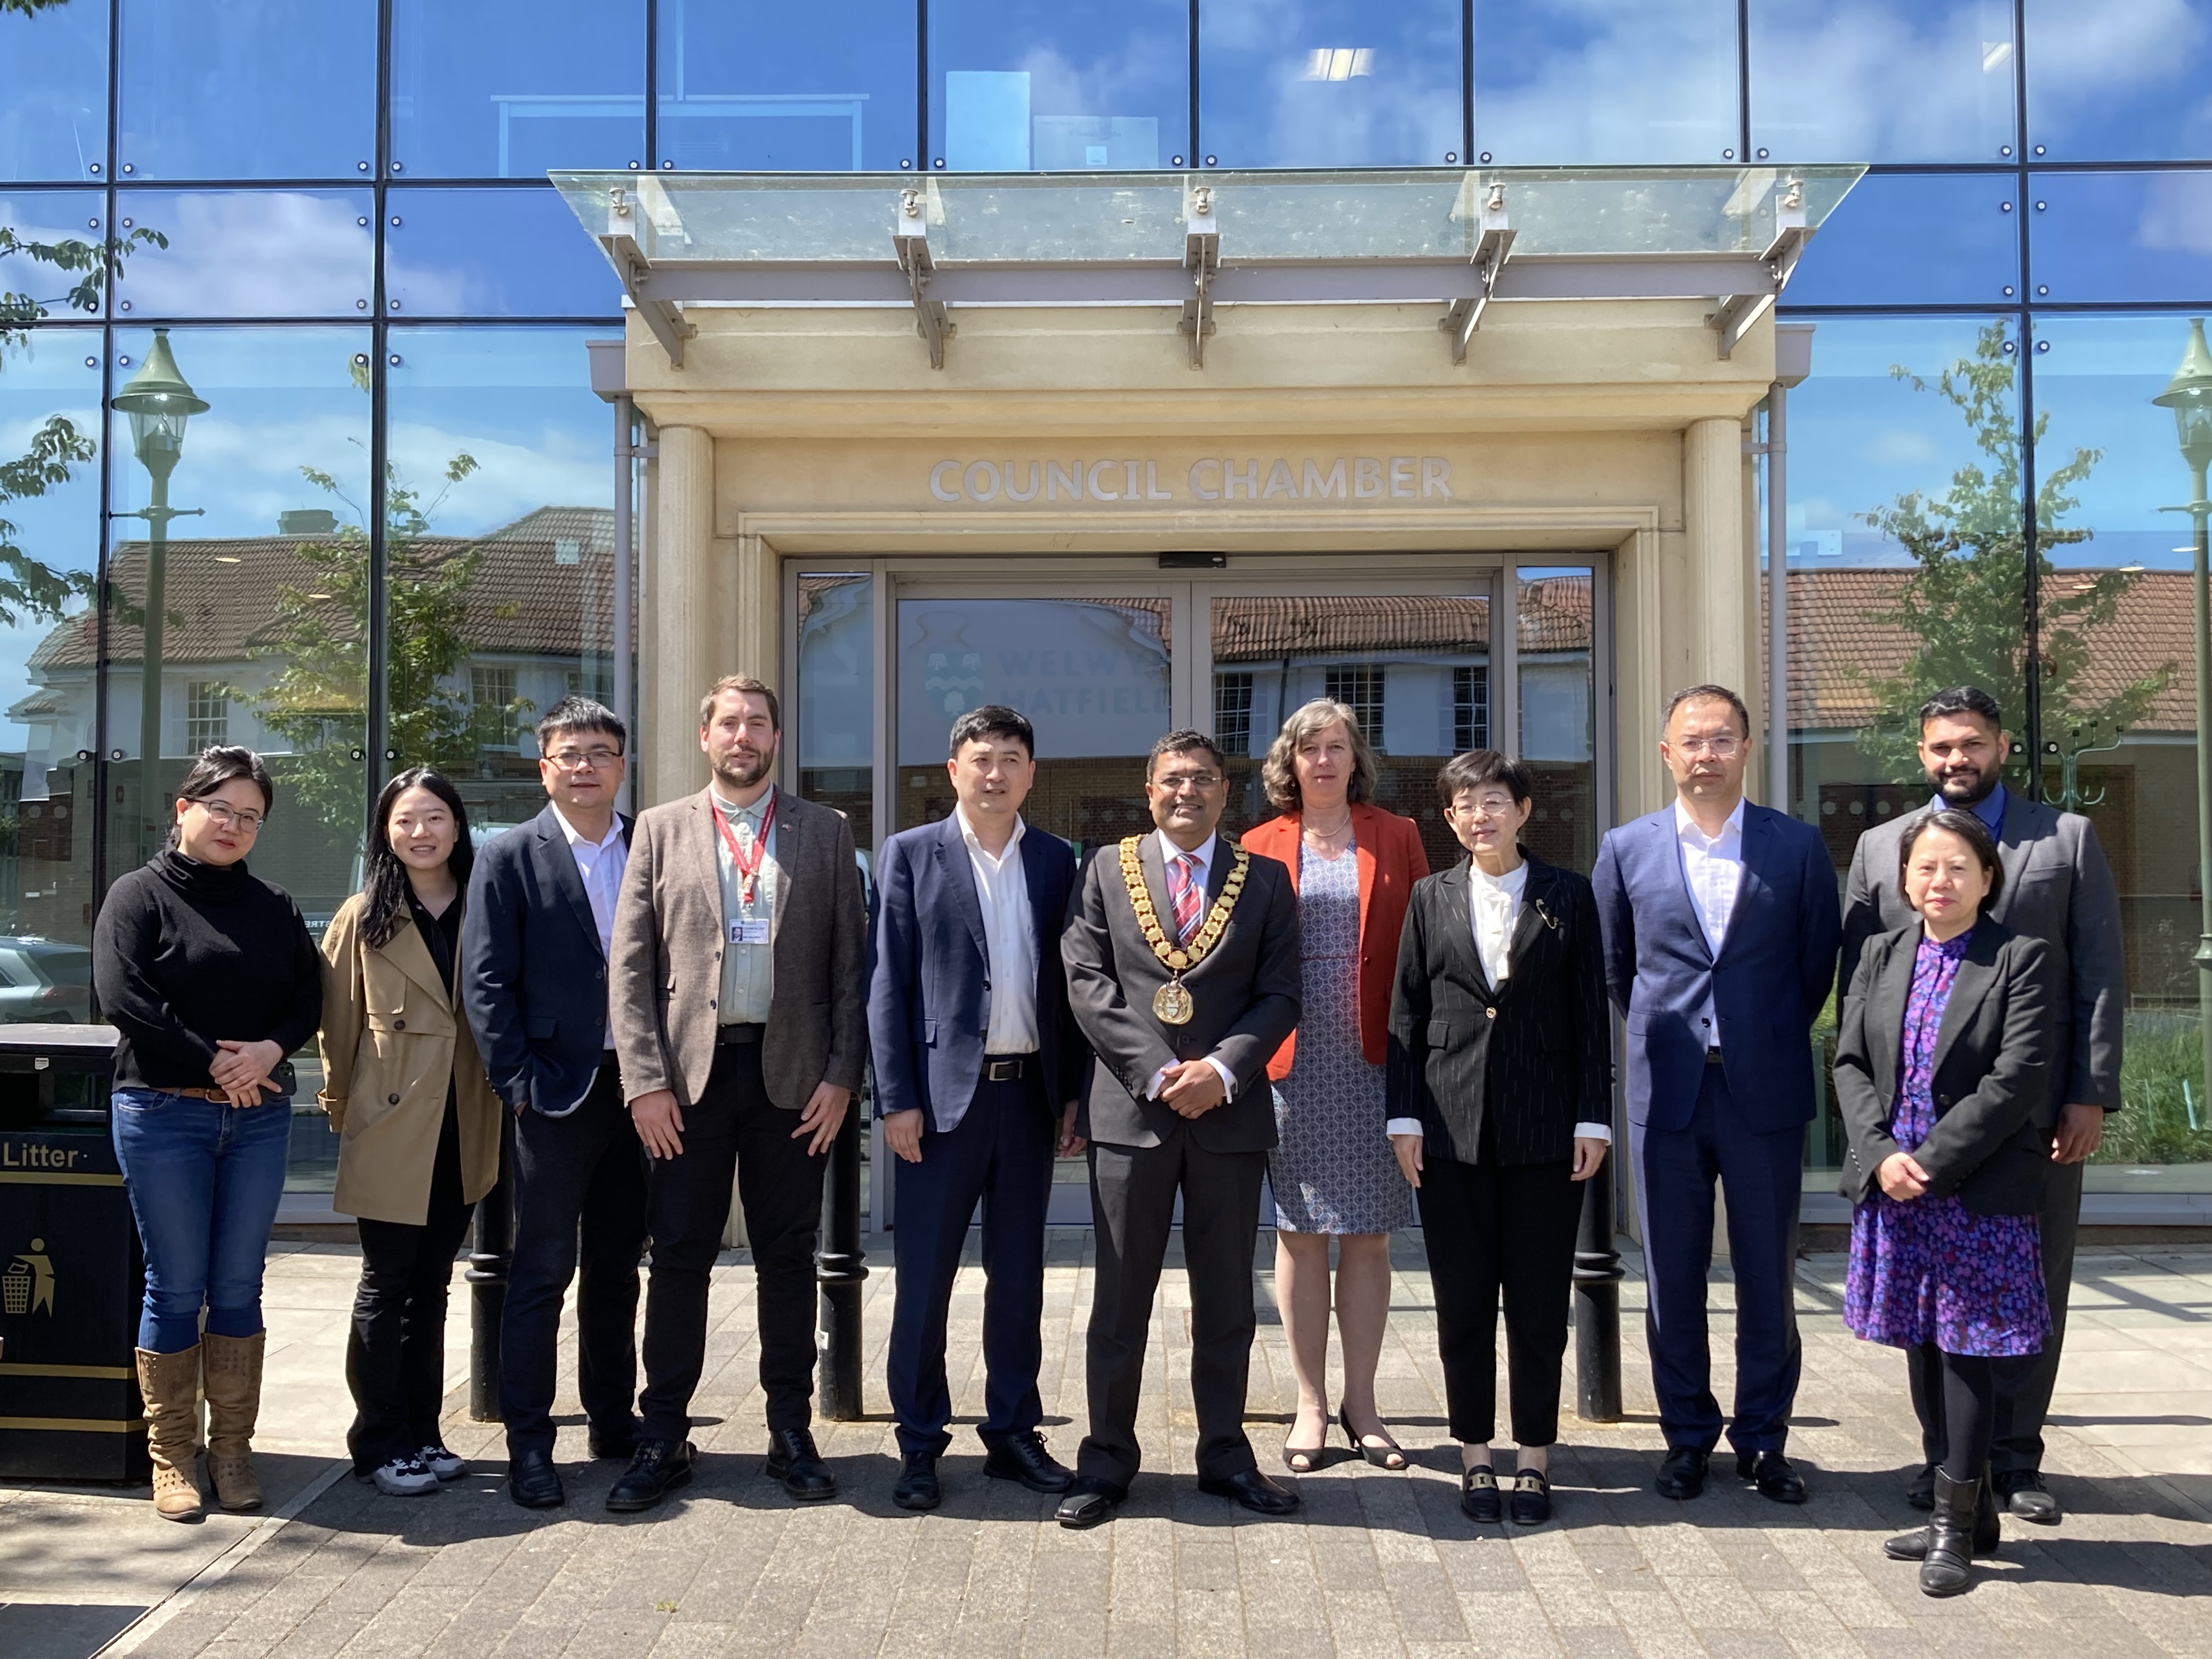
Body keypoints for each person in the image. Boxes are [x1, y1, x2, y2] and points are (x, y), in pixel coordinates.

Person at [1840, 685, 2123, 1524]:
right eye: (1939, 748)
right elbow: (1863, 996)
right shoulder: (1882, 846)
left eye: (1970, 744)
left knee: (2035, 1283)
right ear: (1921, 755)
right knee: (1930, 1299)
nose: (1955, 759)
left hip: (2032, 1117)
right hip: (1910, 1133)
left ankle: (2015, 1457)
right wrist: (1875, 1140)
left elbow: (2098, 971)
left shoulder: (2064, 838)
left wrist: (2090, 1092)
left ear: (2000, 746)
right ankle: (1948, 1465)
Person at [608, 675, 867, 1512]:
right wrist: (643, 1081)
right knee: (679, 1254)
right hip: (687, 1084)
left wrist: (840, 1076)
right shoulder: (656, 830)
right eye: (730, 723)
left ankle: (790, 1430)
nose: (743, 736)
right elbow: (632, 967)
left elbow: (852, 973)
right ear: (704, 736)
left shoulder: (826, 832)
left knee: (786, 1258)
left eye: (758, 723)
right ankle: (664, 1434)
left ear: (776, 740)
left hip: (793, 1082)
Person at [1592, 684, 1839, 1504]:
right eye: (1691, 741)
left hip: (1764, 1093)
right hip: (1669, 1095)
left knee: (1768, 1275)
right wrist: (1683, 1034)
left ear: (1746, 748)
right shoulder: (1626, 849)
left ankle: (1765, 1441)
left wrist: (1751, 1031)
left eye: (1721, 739)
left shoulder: (1797, 847)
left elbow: (1814, 968)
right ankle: (1689, 1438)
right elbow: (1617, 970)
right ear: (1667, 754)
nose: (1706, 753)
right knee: (1673, 1273)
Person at [1055, 729, 1302, 1528]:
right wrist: (1159, 1072)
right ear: (1148, 786)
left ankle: (1226, 1455)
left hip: (1228, 1116)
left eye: (1202, 779)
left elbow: (1281, 994)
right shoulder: (1104, 869)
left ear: (1226, 792)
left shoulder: (1263, 881)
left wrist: (1221, 1070)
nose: (1185, 792)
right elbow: (1087, 981)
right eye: (1171, 780)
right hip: (1134, 1114)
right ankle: (1106, 1462)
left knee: (1228, 1299)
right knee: (1120, 1300)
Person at [867, 705, 1088, 1511]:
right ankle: (920, 1441)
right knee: (923, 1282)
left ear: (1032, 773)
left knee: (1020, 1278)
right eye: (981, 757)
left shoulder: (1057, 861)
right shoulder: (909, 855)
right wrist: (895, 1100)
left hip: (1027, 1098)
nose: (995, 772)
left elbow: (1070, 992)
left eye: (1012, 758)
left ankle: (1012, 1432)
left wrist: (1072, 1094)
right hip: (936, 1105)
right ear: (954, 769)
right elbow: (885, 986)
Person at [93, 747, 321, 1522]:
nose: (233, 824)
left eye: (250, 815)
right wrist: (214, 1061)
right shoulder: (138, 896)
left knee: (237, 1285)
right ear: (183, 809)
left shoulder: (275, 906)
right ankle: (173, 1458)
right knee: (175, 1284)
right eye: (220, 807)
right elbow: (124, 997)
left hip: (255, 1118)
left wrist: (268, 1053)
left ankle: (233, 1452)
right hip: (162, 1113)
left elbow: (306, 1002)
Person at [1387, 751, 1612, 1526]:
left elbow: (1589, 1013)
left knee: (1541, 1302)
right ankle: (1475, 1456)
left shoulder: (1567, 896)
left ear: (1523, 810)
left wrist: (1593, 1116)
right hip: (1447, 1131)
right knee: (1462, 1301)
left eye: (1493, 802)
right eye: (1463, 806)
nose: (1479, 817)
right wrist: (1403, 1117)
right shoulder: (1428, 897)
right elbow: (1407, 1014)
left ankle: (1535, 1460)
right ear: (1448, 820)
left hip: (1546, 1128)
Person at [1835, 809, 2055, 1596]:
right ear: (1904, 880)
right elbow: (1851, 1060)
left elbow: (2018, 1077)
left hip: (1974, 1187)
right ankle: (1966, 1504)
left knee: (1968, 1354)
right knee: (1921, 1346)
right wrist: (1882, 1153)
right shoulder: (1881, 954)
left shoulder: (2020, 959)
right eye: (1926, 867)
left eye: (1958, 867)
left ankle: (1955, 1529)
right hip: (1895, 1185)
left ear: (1987, 878)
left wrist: (1928, 1162)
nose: (1940, 881)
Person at [461, 697, 646, 1510]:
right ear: (545, 767)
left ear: (621, 764)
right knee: (541, 1272)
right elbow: (486, 981)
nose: (584, 766)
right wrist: (518, 1085)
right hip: (552, 1095)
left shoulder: (653, 844)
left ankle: (612, 1421)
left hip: (641, 1090)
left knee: (617, 1268)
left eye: (600, 752)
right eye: (569, 754)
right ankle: (530, 1442)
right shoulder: (507, 856)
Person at [1238, 699, 1428, 1472]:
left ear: (1356, 760)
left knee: (1371, 1235)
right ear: (1290, 761)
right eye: (1310, 748)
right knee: (1300, 1232)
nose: (1324, 760)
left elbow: (1420, 949)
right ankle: (1310, 1405)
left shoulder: (1398, 835)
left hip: (1375, 1055)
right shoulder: (1257, 842)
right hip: (1292, 1057)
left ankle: (1365, 1404)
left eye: (1337, 747)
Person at [319, 768, 501, 1496]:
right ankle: (377, 1442)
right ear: (385, 833)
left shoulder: (489, 906)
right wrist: (345, 1112)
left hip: (466, 1120)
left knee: (433, 1286)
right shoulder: (363, 916)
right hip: (392, 1121)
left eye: (433, 818)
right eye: (404, 820)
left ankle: (423, 1435)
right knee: (385, 1284)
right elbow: (336, 1027)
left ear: (459, 827)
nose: (420, 832)